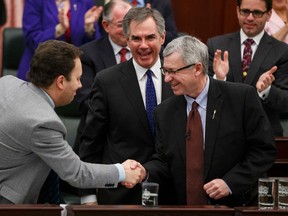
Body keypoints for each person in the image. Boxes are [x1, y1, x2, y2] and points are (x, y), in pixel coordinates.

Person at [0, 40, 145, 204]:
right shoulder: (42, 123)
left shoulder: (7, 83)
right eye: (77, 78)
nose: (80, 85)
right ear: (61, 82)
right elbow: (77, 173)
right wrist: (122, 172)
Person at [144, 35, 276, 207]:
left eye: (173, 71)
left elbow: (263, 151)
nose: (167, 78)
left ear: (197, 69)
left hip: (233, 206)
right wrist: (144, 171)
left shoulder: (241, 98)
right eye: (165, 71)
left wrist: (230, 183)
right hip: (182, 209)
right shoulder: (164, 112)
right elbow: (164, 161)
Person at [79, 7, 173, 205]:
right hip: (121, 195)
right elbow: (91, 141)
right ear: (127, 40)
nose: (143, 45)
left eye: (150, 37)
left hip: (173, 193)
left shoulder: (178, 77)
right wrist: (88, 196)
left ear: (163, 38)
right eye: (136, 39)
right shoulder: (107, 81)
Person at [207, 0, 288, 136]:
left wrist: (267, 90)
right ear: (237, 11)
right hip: (223, 134)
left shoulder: (282, 51)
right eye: (245, 11)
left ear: (268, 15)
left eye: (257, 13)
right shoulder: (216, 45)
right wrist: (219, 79)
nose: (250, 18)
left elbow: (286, 102)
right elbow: (201, 94)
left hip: (264, 136)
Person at [73, 0, 132, 154]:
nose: (128, 29)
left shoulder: (144, 52)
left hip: (137, 141)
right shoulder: (87, 54)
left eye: (131, 22)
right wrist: (129, 111)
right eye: (121, 24)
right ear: (106, 26)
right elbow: (86, 102)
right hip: (98, 140)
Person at [17, 0, 104, 81]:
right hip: (41, 70)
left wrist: (88, 28)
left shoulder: (85, 2)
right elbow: (32, 39)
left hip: (76, 74)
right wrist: (59, 29)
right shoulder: (35, 1)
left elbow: (93, 46)